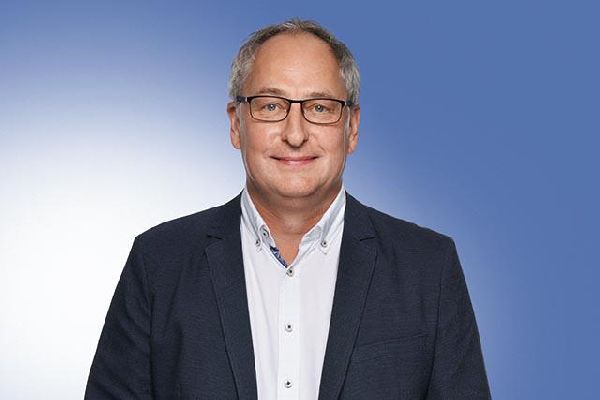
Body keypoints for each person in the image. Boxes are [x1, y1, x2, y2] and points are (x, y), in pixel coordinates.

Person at [85, 18, 491, 400]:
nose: (295, 134)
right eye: (270, 106)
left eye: (320, 107)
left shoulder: (428, 267)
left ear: (351, 128)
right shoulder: (159, 262)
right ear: (236, 124)